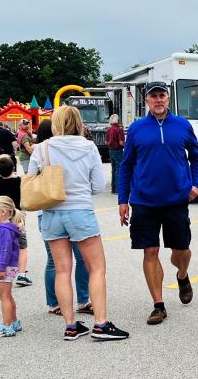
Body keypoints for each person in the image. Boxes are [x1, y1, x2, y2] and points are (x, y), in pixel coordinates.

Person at [28, 106, 128, 341]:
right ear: (79, 122)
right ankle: (101, 324)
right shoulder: (89, 146)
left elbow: (32, 179)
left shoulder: (41, 148)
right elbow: (97, 186)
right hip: (80, 211)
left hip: (51, 213)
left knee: (62, 270)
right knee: (97, 268)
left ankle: (71, 325)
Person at [118, 82, 198, 326]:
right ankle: (158, 304)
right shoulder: (136, 129)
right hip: (144, 201)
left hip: (177, 199)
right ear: (147, 101)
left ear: (168, 99)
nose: (158, 100)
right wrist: (123, 199)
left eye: (162, 95)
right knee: (150, 251)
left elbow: (197, 157)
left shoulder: (182, 125)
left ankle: (182, 275)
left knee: (182, 250)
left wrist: (195, 184)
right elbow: (126, 166)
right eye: (153, 96)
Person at [33, 120, 92, 317]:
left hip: (47, 211)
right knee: (82, 259)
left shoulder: (40, 150)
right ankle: (83, 300)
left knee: (55, 263)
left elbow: (31, 179)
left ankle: (54, 302)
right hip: (75, 210)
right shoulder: (76, 147)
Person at [0, 154, 32, 287]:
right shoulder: (19, 182)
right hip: (17, 218)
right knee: (22, 247)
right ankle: (22, 274)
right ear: (14, 168)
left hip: (2, 220)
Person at [0, 196, 25, 338]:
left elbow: (6, 250)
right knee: (7, 295)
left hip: (5, 267)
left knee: (4, 297)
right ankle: (13, 321)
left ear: (3, 212)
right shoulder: (3, 228)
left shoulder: (4, 230)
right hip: (4, 266)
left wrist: (1, 268)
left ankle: (7, 326)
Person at [105, 114, 125, 194]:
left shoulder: (109, 130)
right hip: (118, 151)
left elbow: (106, 142)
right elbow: (121, 142)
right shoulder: (119, 130)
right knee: (119, 169)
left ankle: (113, 189)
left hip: (111, 150)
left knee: (113, 169)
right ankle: (118, 189)